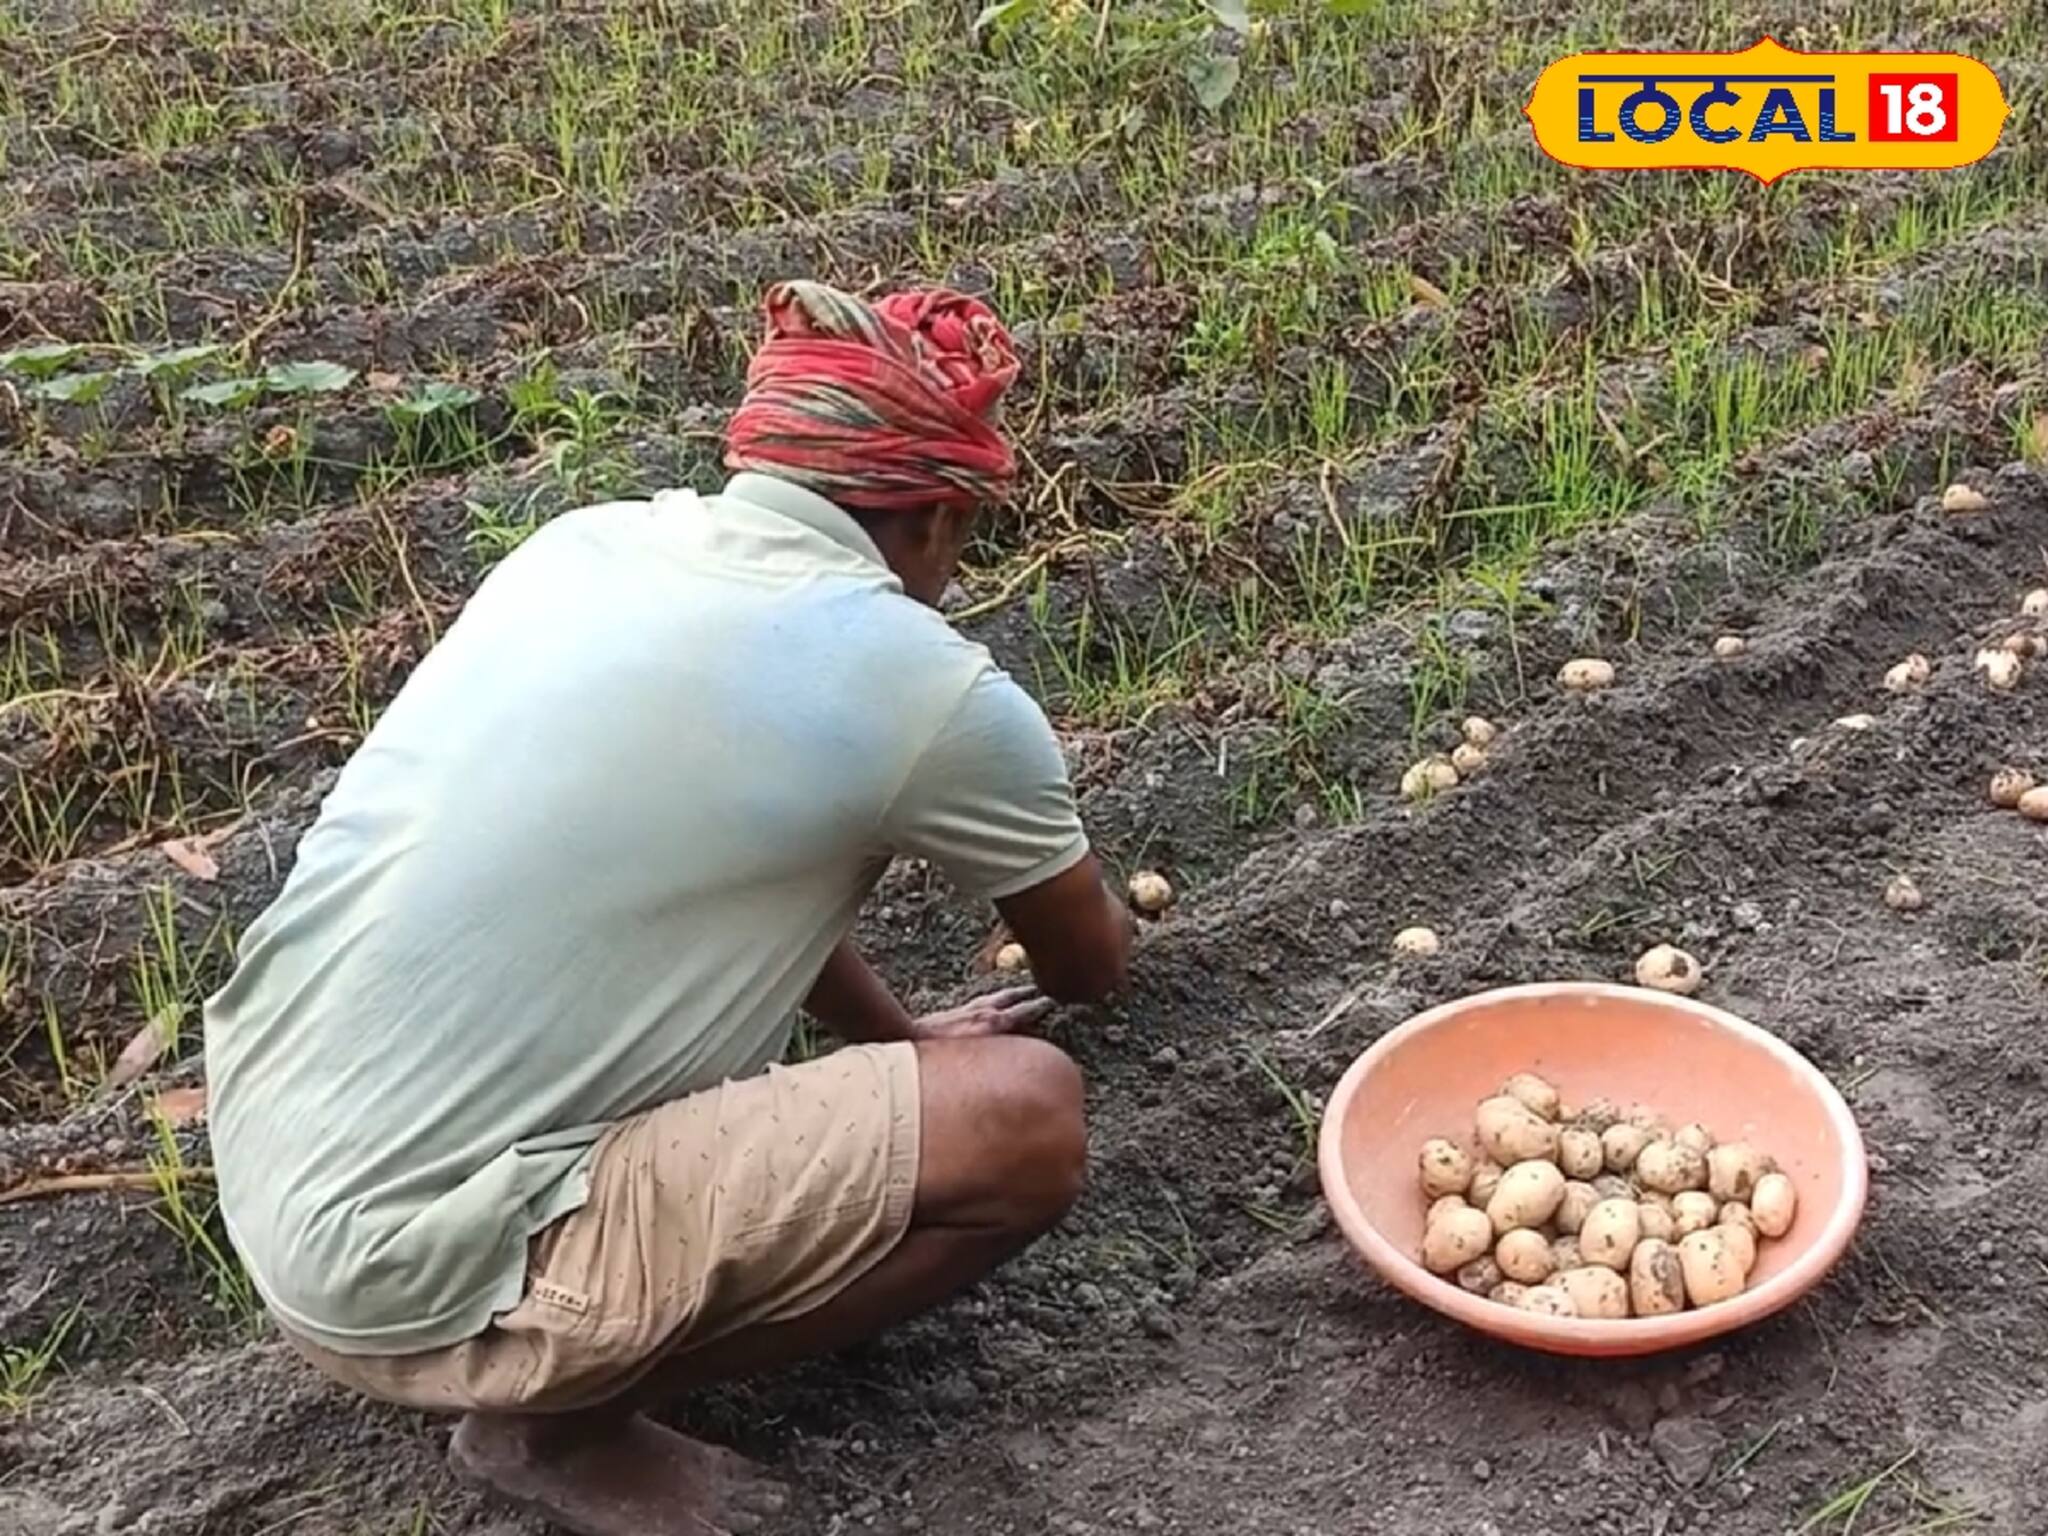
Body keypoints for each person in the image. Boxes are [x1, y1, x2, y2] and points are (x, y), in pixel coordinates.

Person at [202, 279, 1132, 1536]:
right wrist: (1069, 878)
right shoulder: (928, 689)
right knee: (1025, 1120)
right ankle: (553, 1424)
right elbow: (1087, 969)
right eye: (963, 538)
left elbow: (737, 867)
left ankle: (538, 1341)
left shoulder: (582, 544)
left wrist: (901, 1041)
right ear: (937, 516)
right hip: (415, 1268)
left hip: (276, 1149)